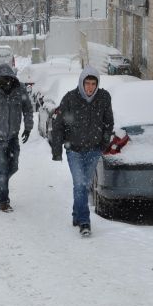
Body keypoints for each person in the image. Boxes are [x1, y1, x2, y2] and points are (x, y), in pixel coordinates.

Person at [51, 66, 114, 237]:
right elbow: (58, 126)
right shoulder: (70, 98)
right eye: (87, 83)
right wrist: (57, 150)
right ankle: (85, 222)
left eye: (93, 84)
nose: (90, 87)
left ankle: (76, 214)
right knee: (80, 184)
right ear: (81, 82)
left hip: (94, 150)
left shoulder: (103, 98)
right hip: (74, 150)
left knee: (84, 185)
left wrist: (104, 143)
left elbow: (109, 122)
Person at [0, 65, 33, 212]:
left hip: (13, 135)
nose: (7, 82)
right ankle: (4, 201)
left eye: (9, 79)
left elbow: (28, 109)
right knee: (2, 166)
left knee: (14, 166)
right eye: (4, 79)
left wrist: (28, 128)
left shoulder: (19, 89)